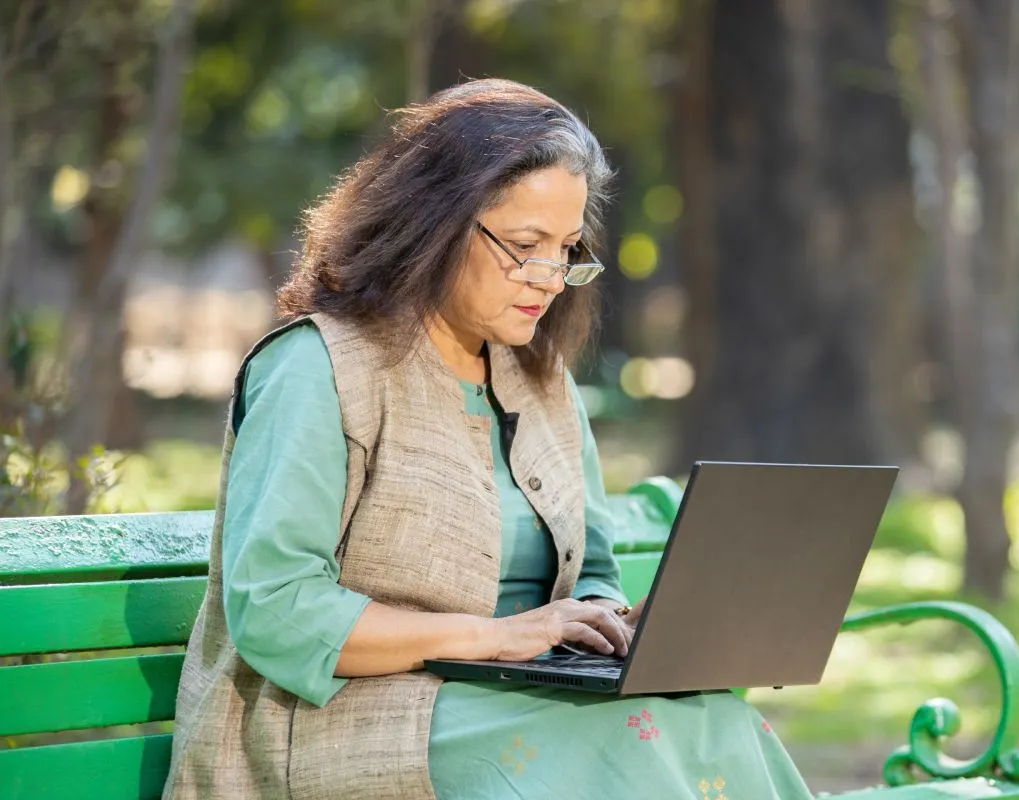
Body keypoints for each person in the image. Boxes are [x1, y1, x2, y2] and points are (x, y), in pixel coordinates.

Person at [164, 78, 813, 800]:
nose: (552, 278)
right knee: (619, 744)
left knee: (716, 720)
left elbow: (588, 567)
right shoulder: (318, 367)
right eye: (526, 245)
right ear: (435, 223)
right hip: (337, 727)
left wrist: (597, 619)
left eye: (567, 249)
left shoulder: (540, 380)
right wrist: (496, 638)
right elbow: (276, 613)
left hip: (509, 700)